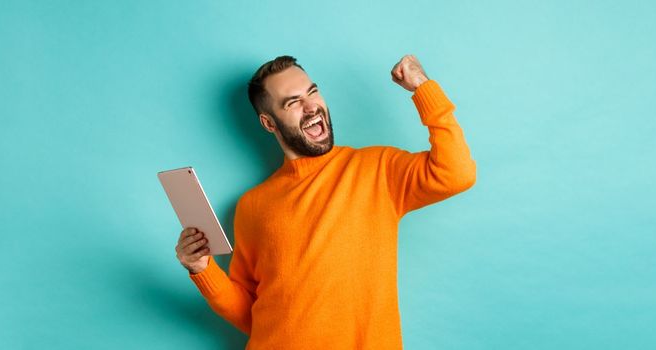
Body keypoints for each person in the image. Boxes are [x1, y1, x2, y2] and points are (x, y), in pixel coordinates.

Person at [175, 54, 476, 349]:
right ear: (269, 122)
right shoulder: (252, 206)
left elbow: (456, 173)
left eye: (312, 92)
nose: (311, 107)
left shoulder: (376, 169)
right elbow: (251, 314)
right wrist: (202, 269)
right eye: (293, 102)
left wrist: (423, 87)